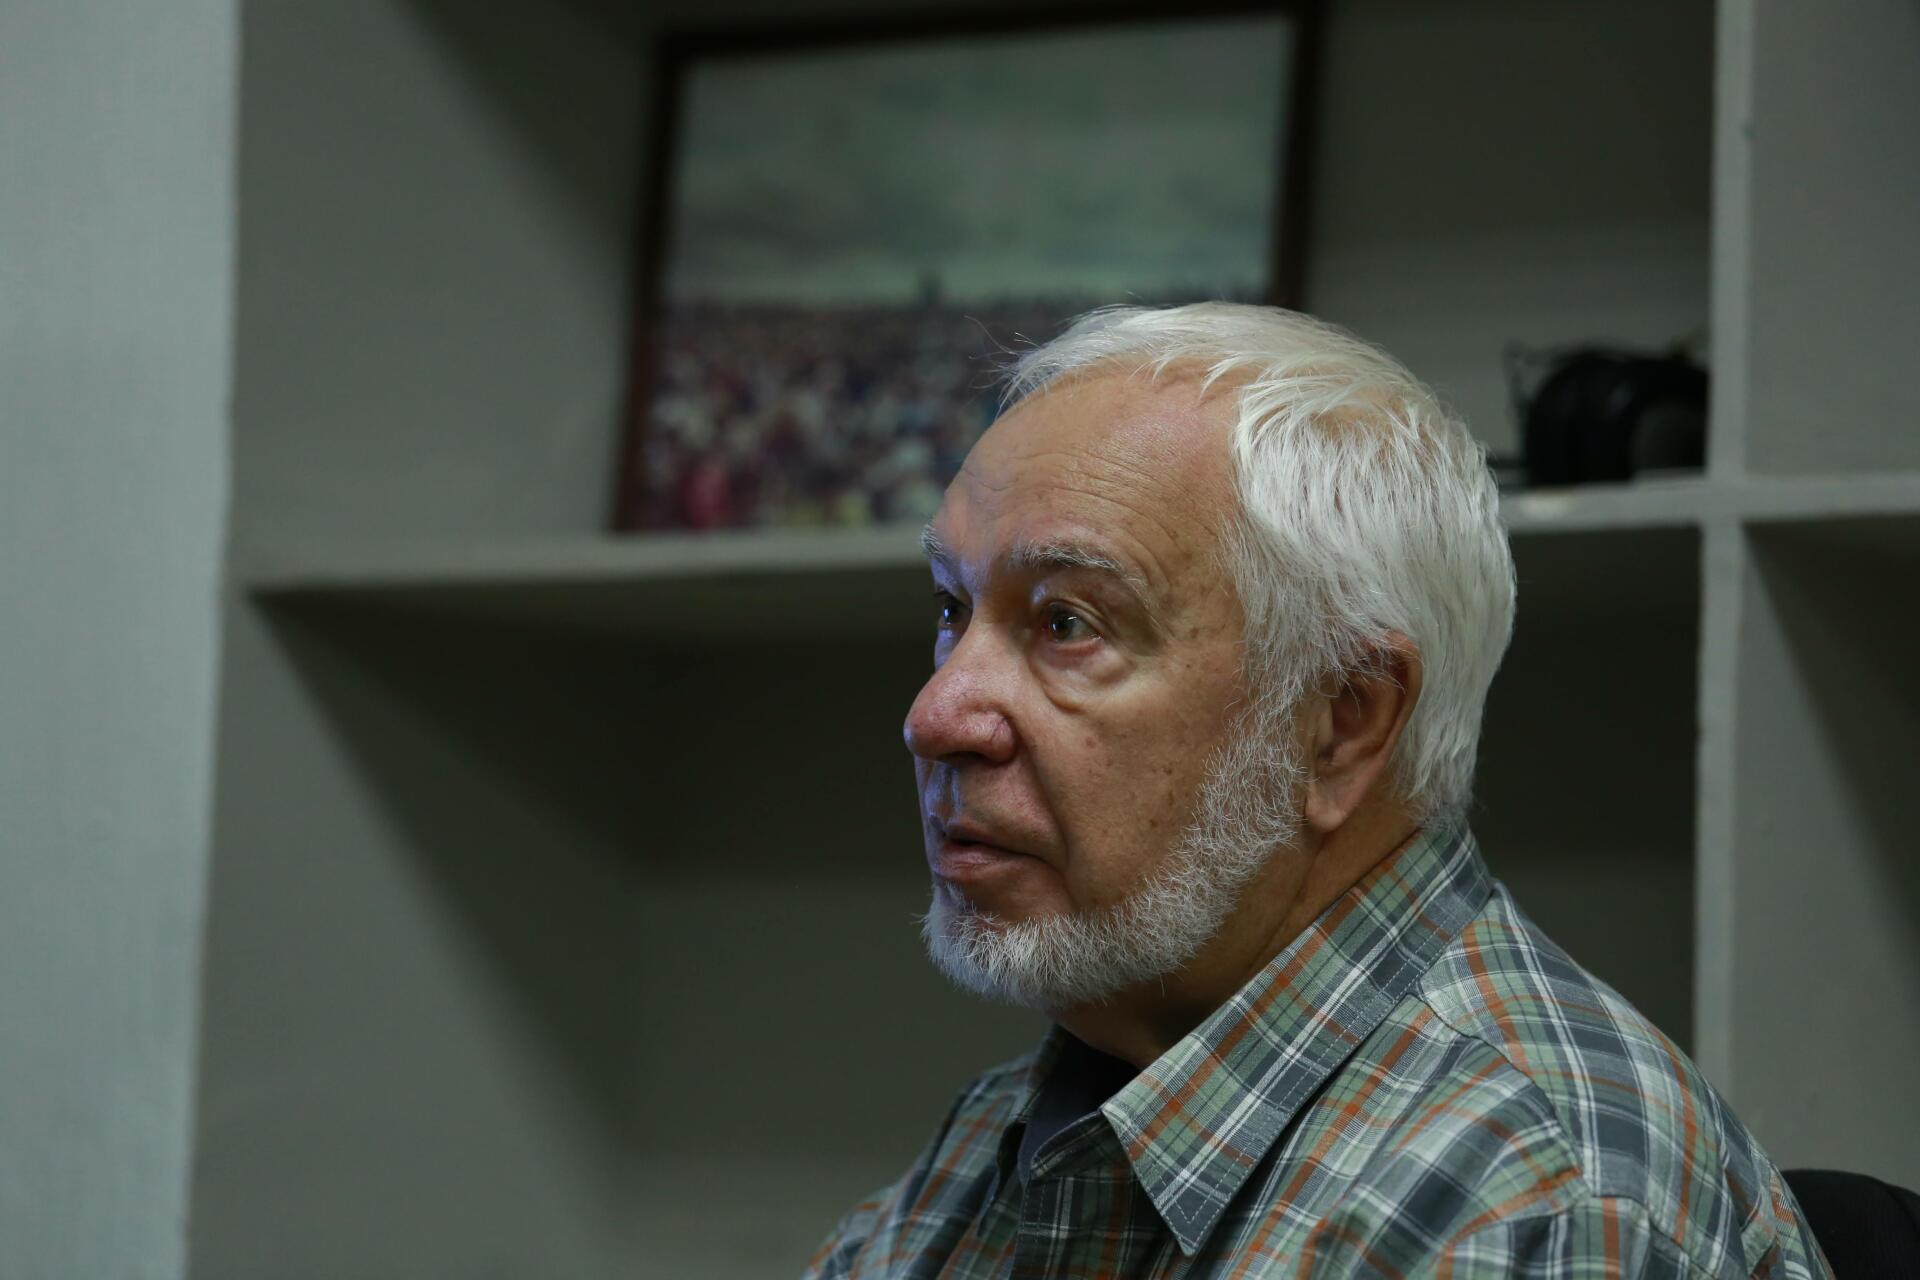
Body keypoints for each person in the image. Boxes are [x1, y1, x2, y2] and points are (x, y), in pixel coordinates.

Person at [802, 303, 1830, 1278]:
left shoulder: (1531, 1197)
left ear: (1341, 722)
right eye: (952, 606)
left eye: (1068, 622)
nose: (936, 714)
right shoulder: (1008, 1131)